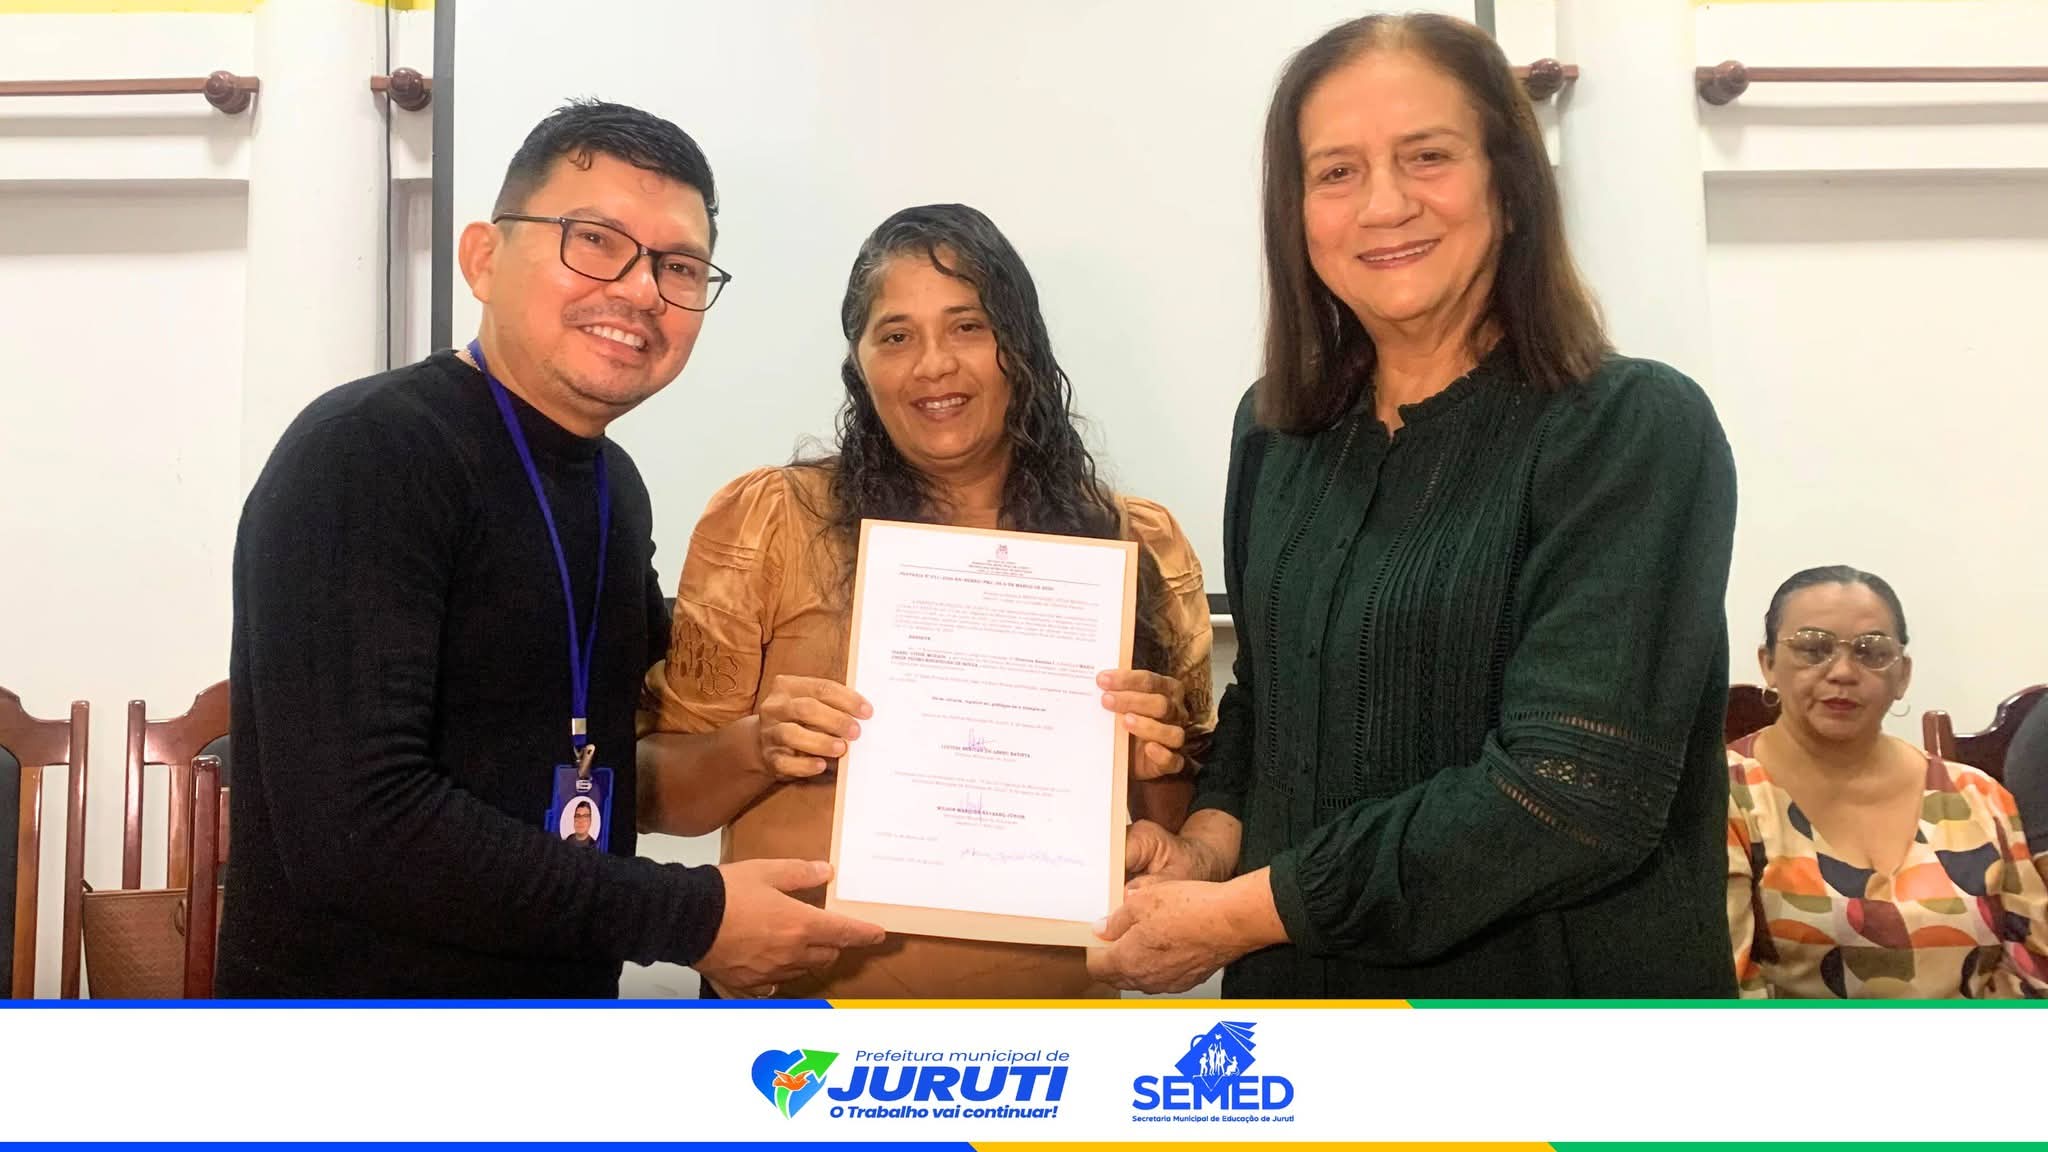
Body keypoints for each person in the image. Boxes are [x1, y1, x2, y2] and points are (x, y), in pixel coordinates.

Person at [1087, 13, 1738, 998]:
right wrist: (1205, 850)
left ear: (1508, 187)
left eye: (1426, 156)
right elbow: (1267, 700)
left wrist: (1238, 915)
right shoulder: (1274, 431)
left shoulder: (1629, 427)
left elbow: (1570, 795)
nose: (1383, 205)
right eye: (1336, 171)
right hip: (1304, 1019)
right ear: (1296, 212)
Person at [220, 99, 882, 997]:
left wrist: (781, 729)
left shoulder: (613, 487)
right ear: (483, 259)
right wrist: (692, 917)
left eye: (679, 266)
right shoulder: (369, 451)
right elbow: (359, 829)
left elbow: (617, 740)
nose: (642, 291)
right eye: (595, 241)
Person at [639, 203, 1215, 998]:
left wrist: (1157, 761)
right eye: (896, 336)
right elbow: (652, 797)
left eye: (968, 327)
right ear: (860, 363)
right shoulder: (772, 521)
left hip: (1048, 1032)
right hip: (801, 1034)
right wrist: (755, 746)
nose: (933, 365)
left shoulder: (1135, 544)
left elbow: (1176, 844)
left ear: (1020, 346)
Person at [1726, 567, 2048, 998]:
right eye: (1813, 648)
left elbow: (2035, 965)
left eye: (1871, 652)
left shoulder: (1979, 796)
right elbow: (1721, 985)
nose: (1843, 671)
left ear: (1903, 674)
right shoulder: (1724, 795)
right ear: (1768, 664)